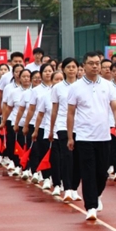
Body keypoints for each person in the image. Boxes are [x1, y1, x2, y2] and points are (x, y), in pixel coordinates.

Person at [67, 51, 116, 221]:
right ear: (84, 66)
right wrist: (70, 136)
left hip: (104, 136)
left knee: (102, 173)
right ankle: (90, 206)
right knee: (88, 172)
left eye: (97, 63)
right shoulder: (75, 87)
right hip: (84, 137)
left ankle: (96, 195)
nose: (95, 66)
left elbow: (115, 107)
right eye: (91, 63)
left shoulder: (108, 85)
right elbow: (70, 113)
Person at [49, 58, 81, 202]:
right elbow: (54, 110)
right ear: (63, 70)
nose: (71, 69)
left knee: (78, 159)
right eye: (68, 67)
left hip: (81, 126)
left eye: (74, 67)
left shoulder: (82, 86)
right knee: (67, 157)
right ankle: (67, 188)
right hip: (63, 126)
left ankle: (74, 189)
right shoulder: (57, 88)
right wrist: (51, 129)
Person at [32, 70, 64, 195]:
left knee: (63, 159)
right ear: (52, 81)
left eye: (61, 79)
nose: (59, 82)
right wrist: (36, 130)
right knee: (53, 158)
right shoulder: (46, 96)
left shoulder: (69, 95)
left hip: (66, 131)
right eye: (56, 79)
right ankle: (51, 180)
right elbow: (40, 114)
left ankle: (63, 181)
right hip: (51, 132)